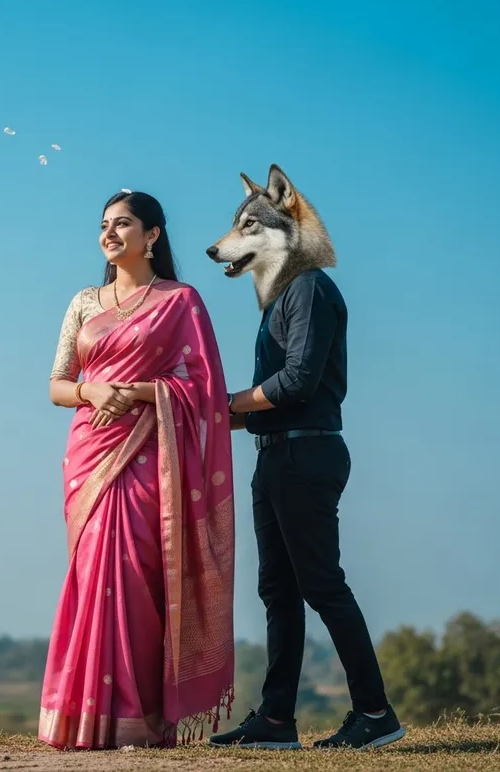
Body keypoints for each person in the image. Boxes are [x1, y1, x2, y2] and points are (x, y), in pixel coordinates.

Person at [208, 166, 405, 751]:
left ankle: (375, 714)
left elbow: (295, 383)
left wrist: (220, 404)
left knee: (322, 585)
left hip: (306, 456)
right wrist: (202, 415)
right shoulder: (278, 302)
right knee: (278, 590)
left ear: (289, 221)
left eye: (249, 229)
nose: (230, 244)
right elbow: (269, 403)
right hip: (276, 456)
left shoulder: (311, 288)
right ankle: (275, 720)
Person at [39, 191, 235, 750]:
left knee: (136, 573)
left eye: (122, 223)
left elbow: (204, 390)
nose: (109, 233)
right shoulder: (84, 302)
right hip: (90, 455)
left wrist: (142, 392)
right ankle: (82, 716)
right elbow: (57, 385)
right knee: (92, 574)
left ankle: (138, 717)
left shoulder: (180, 301)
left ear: (152, 235)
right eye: (104, 225)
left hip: (152, 452)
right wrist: (92, 389)